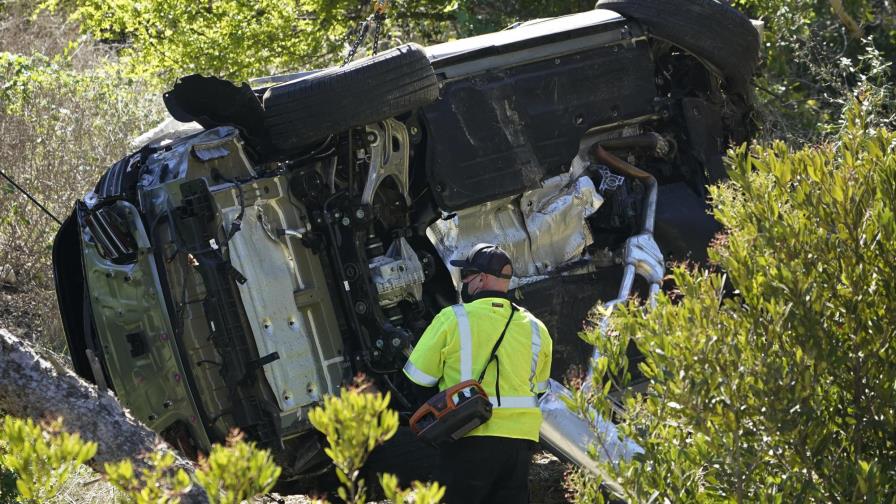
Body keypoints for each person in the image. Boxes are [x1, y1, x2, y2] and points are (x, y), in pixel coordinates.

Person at [403, 243, 553, 504]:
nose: (464, 283)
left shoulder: (452, 318)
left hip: (466, 435)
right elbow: (539, 390)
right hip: (518, 445)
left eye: (466, 276)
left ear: (481, 279)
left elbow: (418, 379)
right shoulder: (536, 328)